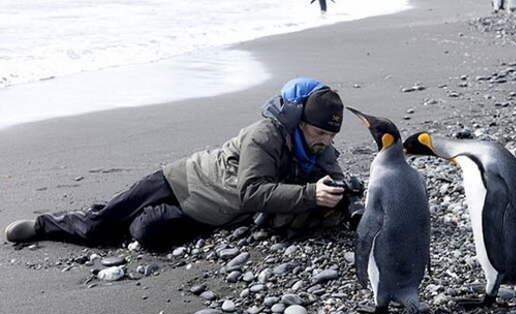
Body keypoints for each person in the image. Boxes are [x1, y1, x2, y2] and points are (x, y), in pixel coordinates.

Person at [4, 78, 364, 251]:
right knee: (100, 228)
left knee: (147, 235)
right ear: (296, 120)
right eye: (319, 133)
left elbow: (334, 180)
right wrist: (309, 194)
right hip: (181, 180)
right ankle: (43, 225)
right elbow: (252, 192)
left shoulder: (319, 148)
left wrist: (351, 205)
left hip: (212, 213)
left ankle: (132, 217)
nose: (325, 142)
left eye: (330, 136)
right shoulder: (264, 135)